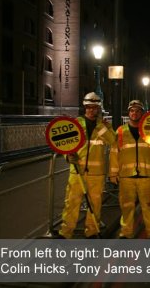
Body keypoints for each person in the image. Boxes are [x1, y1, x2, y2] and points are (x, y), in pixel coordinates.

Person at [59, 92, 116, 239]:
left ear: (98, 108)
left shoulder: (104, 126)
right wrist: (67, 156)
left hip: (96, 173)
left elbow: (112, 140)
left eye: (94, 107)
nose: (91, 110)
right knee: (71, 203)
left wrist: (100, 126)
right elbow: (65, 144)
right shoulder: (76, 123)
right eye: (89, 107)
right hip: (77, 171)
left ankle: (91, 231)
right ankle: (65, 233)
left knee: (95, 204)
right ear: (85, 107)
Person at [109, 100, 150, 239]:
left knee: (149, 207)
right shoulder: (120, 131)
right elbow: (114, 152)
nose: (134, 113)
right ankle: (126, 233)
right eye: (132, 110)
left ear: (142, 113)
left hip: (147, 175)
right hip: (126, 176)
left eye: (138, 111)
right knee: (126, 207)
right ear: (129, 112)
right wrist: (113, 173)